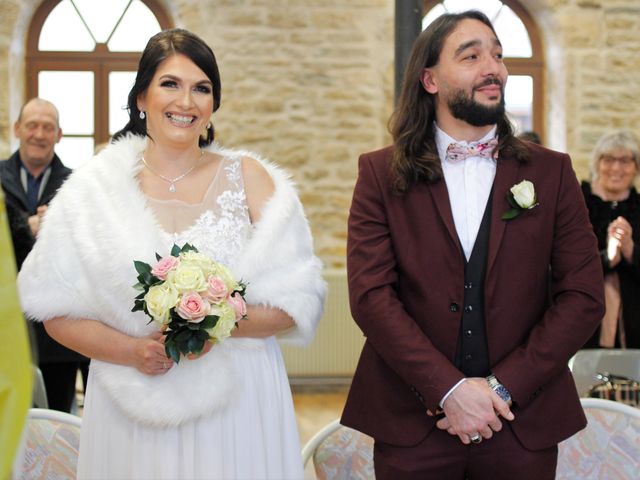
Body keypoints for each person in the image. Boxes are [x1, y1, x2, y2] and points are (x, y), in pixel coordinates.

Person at [17, 28, 326, 479]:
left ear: (213, 104)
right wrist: (131, 350)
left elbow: (296, 299)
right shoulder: (92, 189)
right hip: (132, 397)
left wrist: (211, 321)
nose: (186, 102)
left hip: (239, 398)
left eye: (202, 88)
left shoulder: (251, 179)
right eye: (170, 84)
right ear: (142, 97)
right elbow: (54, 308)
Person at [341, 10, 604, 479]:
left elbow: (583, 297)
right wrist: (448, 390)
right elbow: (371, 298)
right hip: (412, 424)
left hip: (522, 423)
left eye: (499, 55)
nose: (494, 68)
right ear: (430, 79)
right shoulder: (380, 174)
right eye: (472, 55)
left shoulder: (552, 173)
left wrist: (502, 389)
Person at [0, 98, 89, 413]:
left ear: (59, 134)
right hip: (5, 322)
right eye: (32, 125)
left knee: (56, 425)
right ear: (17, 129)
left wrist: (58, 225)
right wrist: (25, 226)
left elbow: (90, 246)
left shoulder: (78, 185)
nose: (39, 134)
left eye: (47, 127)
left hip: (58, 334)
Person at [581, 130, 640, 348]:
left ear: (636, 166)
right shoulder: (578, 203)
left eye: (625, 161)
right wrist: (607, 259)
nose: (616, 168)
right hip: (583, 320)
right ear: (598, 163)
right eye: (609, 160)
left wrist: (631, 251)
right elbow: (562, 266)